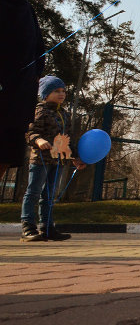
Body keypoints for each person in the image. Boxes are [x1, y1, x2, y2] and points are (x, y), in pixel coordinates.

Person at [0, 0, 45, 176]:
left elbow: (38, 45)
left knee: (6, 153)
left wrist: (35, 75)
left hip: (17, 97)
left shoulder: (25, 5)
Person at [21, 76, 84, 242]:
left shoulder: (64, 113)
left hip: (59, 161)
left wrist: (75, 157)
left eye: (63, 91)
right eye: (56, 91)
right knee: (33, 192)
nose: (61, 94)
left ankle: (47, 227)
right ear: (45, 94)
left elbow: (68, 138)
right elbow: (30, 132)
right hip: (40, 160)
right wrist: (39, 140)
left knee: (49, 196)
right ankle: (28, 226)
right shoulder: (40, 110)